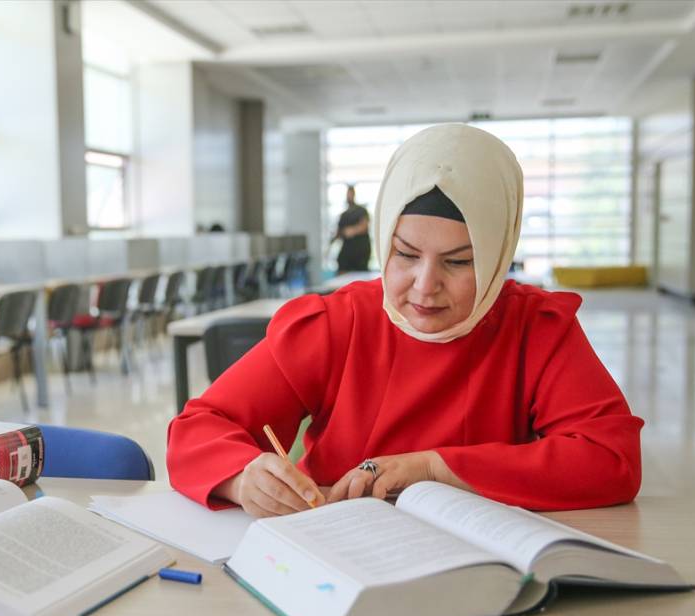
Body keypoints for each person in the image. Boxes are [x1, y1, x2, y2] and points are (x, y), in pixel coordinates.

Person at [167, 124, 643, 517]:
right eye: (405, 254)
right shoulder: (339, 323)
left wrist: (434, 469)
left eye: (458, 262)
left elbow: (610, 459)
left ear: (500, 256)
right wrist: (241, 477)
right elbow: (199, 427)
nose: (423, 286)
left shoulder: (536, 327)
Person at [332, 185, 372, 273]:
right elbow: (339, 232)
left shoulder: (361, 211)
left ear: (354, 194)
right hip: (347, 249)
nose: (349, 196)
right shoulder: (344, 215)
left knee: (361, 273)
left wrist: (352, 230)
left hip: (360, 249)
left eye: (350, 193)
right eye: (347, 194)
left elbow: (364, 226)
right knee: (341, 263)